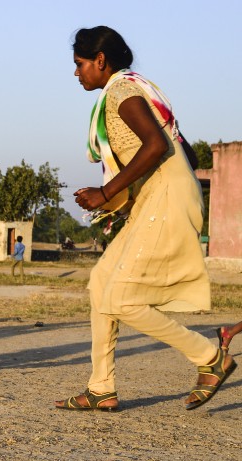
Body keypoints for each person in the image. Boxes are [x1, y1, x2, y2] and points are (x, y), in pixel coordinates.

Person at [56, 26, 234, 412]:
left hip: (166, 198)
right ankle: (101, 386)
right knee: (101, 283)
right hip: (154, 198)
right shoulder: (130, 90)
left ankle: (209, 356)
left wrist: (106, 192)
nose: (77, 73)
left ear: (100, 61)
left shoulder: (122, 92)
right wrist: (120, 194)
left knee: (121, 298)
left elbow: (156, 145)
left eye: (80, 64)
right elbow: (183, 153)